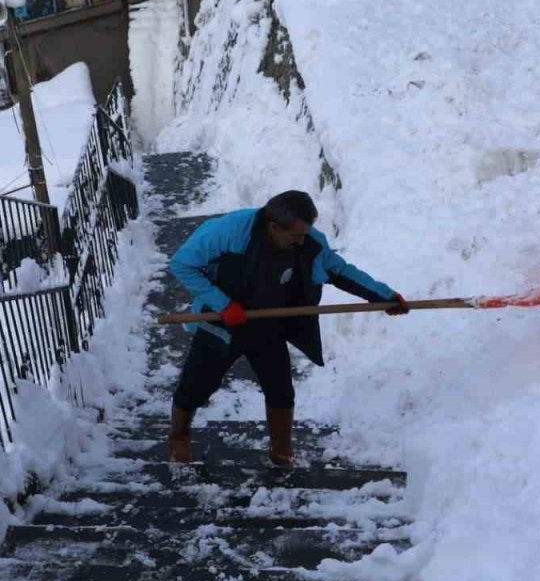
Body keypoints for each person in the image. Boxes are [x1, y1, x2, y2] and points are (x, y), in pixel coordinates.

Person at [167, 190, 408, 467]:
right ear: (273, 227)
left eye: (305, 234)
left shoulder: (310, 244)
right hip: (220, 325)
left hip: (269, 326)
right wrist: (223, 305)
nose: (301, 241)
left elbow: (340, 271)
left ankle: (281, 451)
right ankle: (178, 437)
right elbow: (182, 264)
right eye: (295, 236)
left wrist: (383, 296)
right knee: (196, 386)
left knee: (281, 390)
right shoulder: (229, 231)